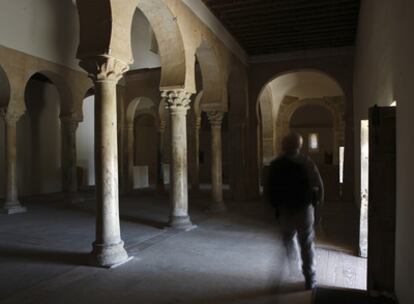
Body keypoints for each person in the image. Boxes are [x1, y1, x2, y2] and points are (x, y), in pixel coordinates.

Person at [266, 132, 324, 290]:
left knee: (288, 238)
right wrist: (318, 208)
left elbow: (269, 188)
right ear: (299, 145)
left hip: (285, 210)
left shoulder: (276, 164)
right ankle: (310, 278)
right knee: (306, 242)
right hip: (304, 209)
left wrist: (274, 207)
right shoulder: (306, 162)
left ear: (284, 145)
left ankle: (295, 266)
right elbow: (319, 186)